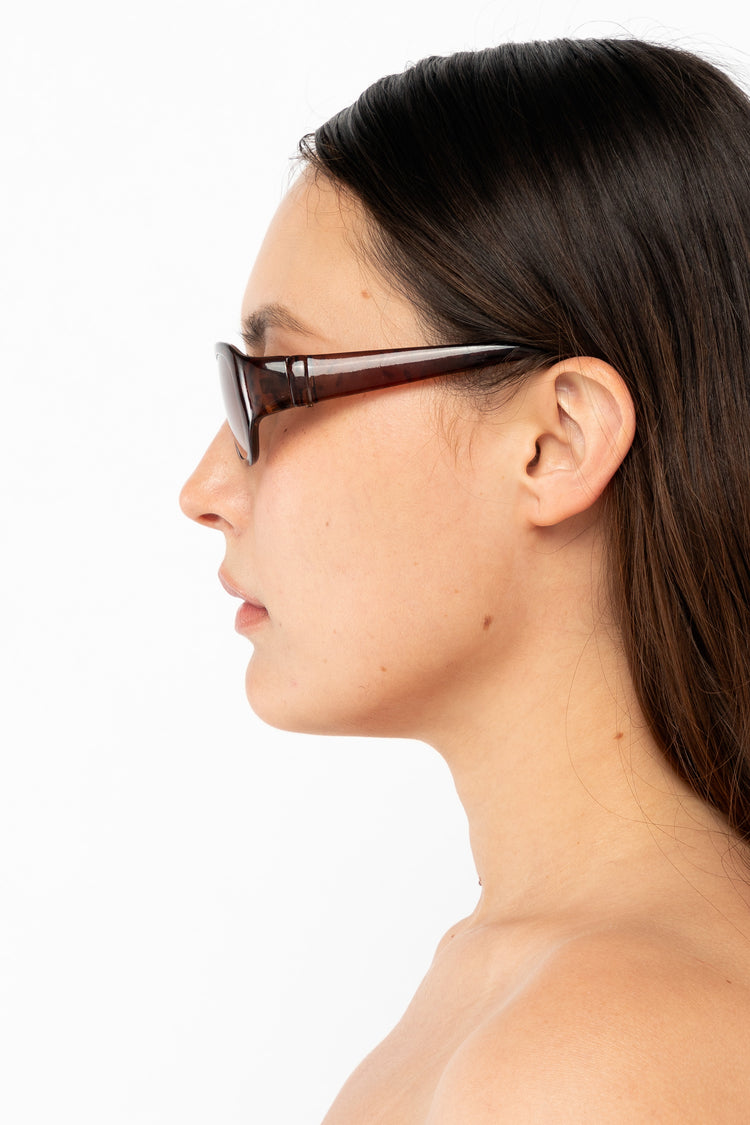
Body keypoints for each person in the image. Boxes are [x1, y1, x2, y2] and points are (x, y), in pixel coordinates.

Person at [180, 38, 750, 1122]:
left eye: (278, 388)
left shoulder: (597, 1055)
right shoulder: (513, 986)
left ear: (555, 442)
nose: (205, 488)